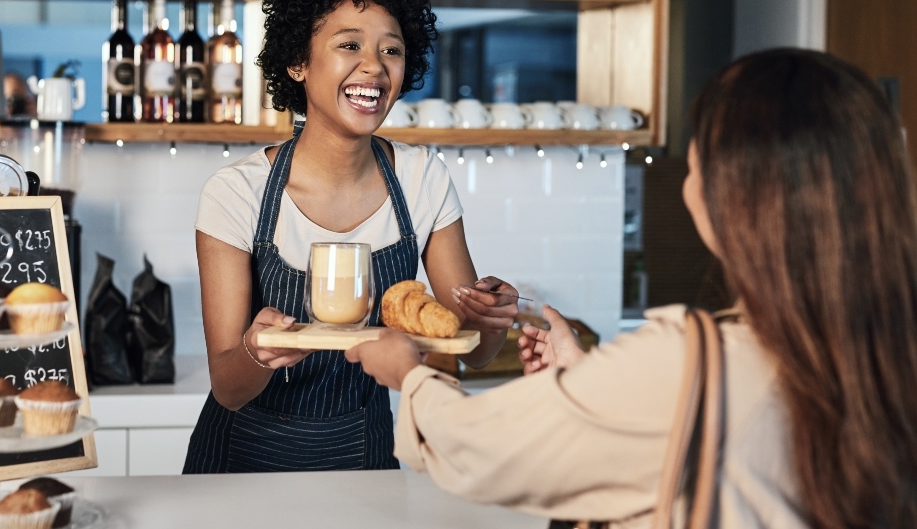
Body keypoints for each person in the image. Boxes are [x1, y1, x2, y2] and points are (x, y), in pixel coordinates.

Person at [348, 48, 917, 527]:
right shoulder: (884, 352)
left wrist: (409, 375)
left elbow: (480, 447)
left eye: (699, 162)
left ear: (737, 200)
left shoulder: (690, 360)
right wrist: (583, 382)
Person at [183, 0, 519, 473]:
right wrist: (258, 351)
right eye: (349, 45)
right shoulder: (237, 193)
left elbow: (469, 350)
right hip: (241, 466)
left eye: (392, 50)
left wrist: (491, 319)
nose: (374, 67)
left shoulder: (421, 179)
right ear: (297, 61)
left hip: (364, 458)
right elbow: (228, 387)